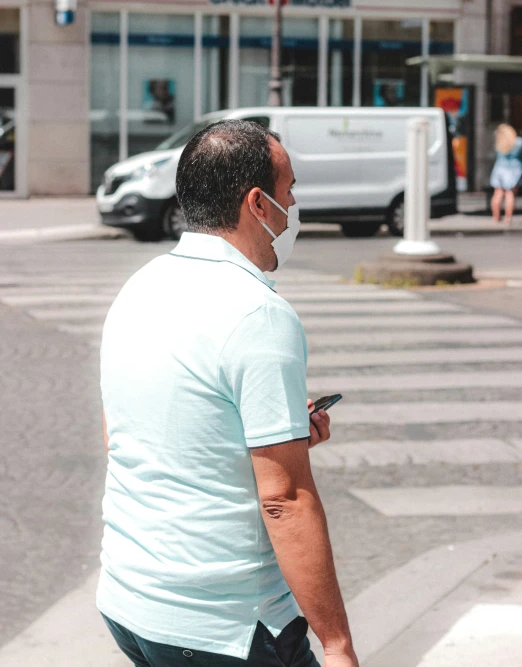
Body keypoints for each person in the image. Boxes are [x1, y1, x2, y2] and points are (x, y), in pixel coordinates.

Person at [97, 119, 359, 667]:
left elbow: (131, 433)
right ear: (258, 204)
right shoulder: (258, 314)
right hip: (226, 626)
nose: (295, 205)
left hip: (129, 601)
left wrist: (279, 436)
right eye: (290, 192)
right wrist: (336, 645)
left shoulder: (140, 285)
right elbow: (283, 500)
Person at [490, 124, 522, 225]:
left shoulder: (499, 143)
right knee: (510, 194)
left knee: (497, 194)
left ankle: (496, 217)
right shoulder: (518, 142)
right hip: (513, 169)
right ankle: (508, 218)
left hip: (499, 168)